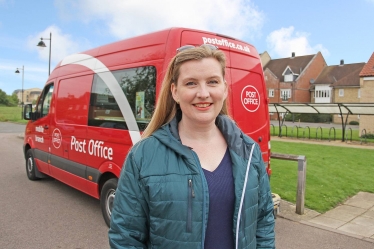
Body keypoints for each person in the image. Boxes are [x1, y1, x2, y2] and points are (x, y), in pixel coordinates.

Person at [108, 44, 275, 249]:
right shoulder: (143, 156)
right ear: (175, 92)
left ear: (224, 89)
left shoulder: (249, 152)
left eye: (212, 82)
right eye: (191, 83)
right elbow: (125, 238)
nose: (203, 93)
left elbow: (264, 223)